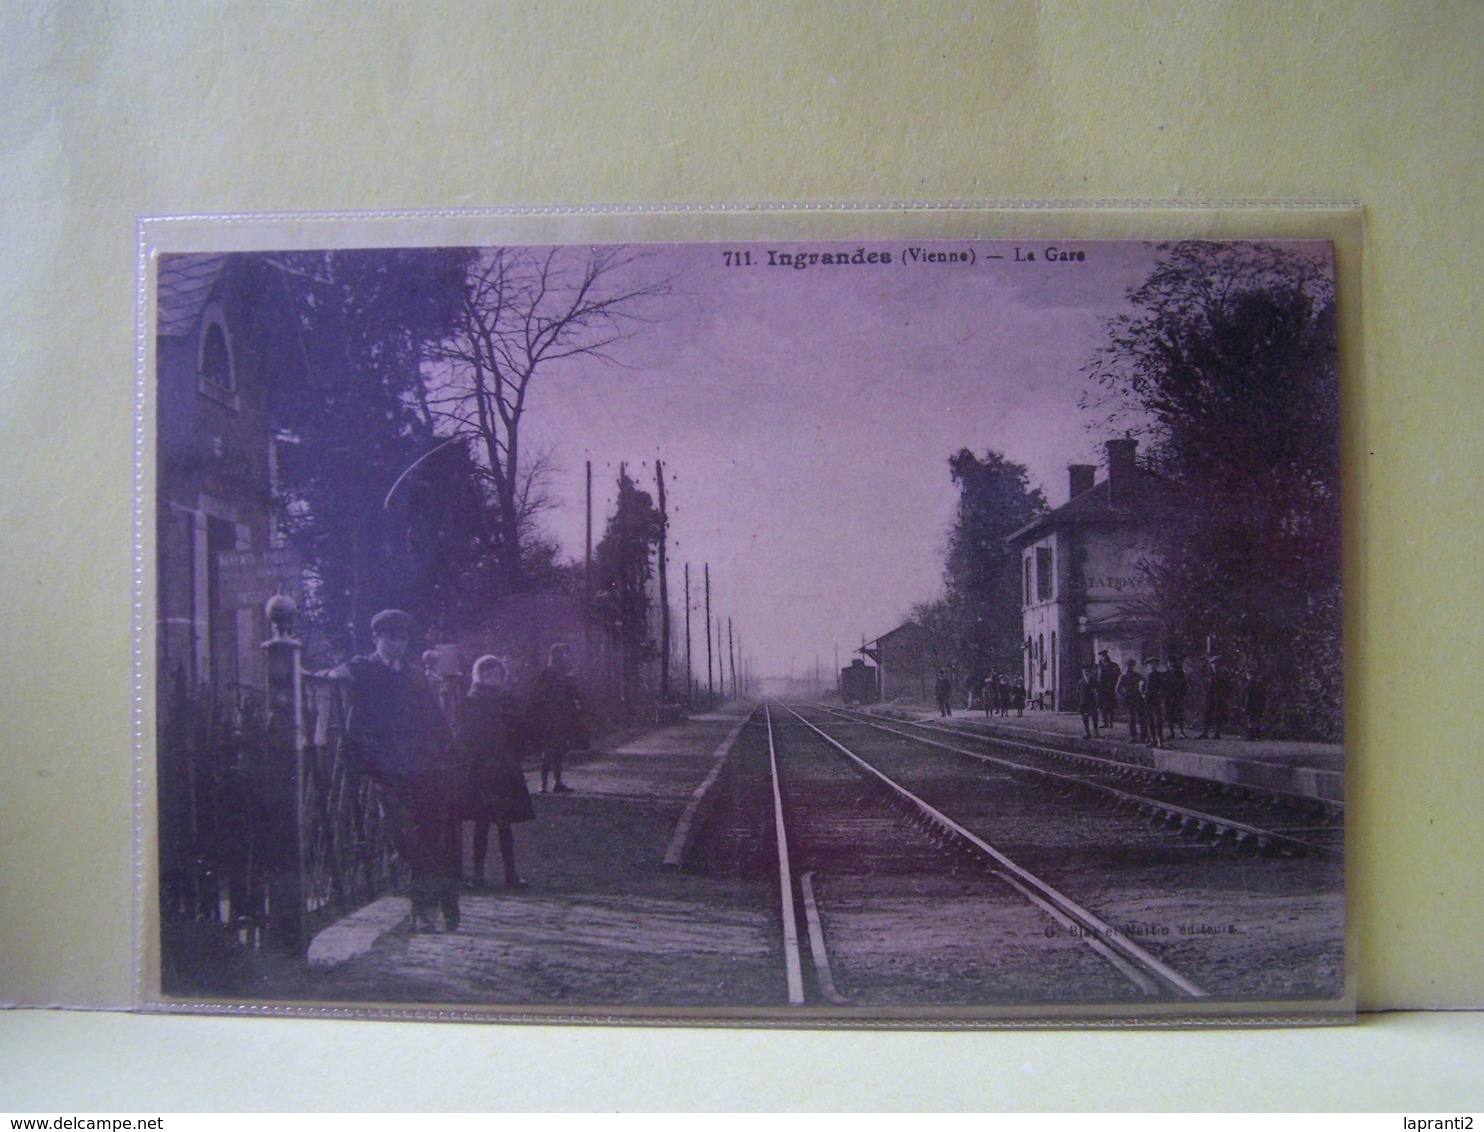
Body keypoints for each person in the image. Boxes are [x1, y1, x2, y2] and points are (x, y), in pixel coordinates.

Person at [334, 609, 460, 933]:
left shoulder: (415, 676)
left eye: (403, 638)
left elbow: (435, 720)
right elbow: (333, 679)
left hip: (420, 768)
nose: (397, 644)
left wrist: (446, 754)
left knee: (428, 834)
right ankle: (437, 899)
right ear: (375, 637)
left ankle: (427, 908)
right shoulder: (362, 668)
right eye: (390, 637)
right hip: (383, 770)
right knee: (404, 836)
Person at [456, 656, 536, 890]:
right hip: (481, 769)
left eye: (497, 675)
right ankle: (477, 874)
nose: (493, 679)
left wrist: (515, 755)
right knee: (481, 824)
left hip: (504, 769)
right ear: (479, 676)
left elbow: (521, 733)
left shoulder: (508, 703)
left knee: (504, 823)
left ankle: (511, 873)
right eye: (488, 674)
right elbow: (463, 736)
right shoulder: (470, 703)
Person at [529, 642, 588, 794]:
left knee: (559, 750)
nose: (564, 656)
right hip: (548, 717)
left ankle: (557, 782)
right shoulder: (546, 673)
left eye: (565, 653)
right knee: (548, 750)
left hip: (563, 717)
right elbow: (537, 695)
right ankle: (543, 783)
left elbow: (574, 695)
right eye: (561, 653)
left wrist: (575, 703)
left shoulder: (567, 674)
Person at [1197, 655, 1232, 740]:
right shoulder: (1209, 674)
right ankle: (1205, 732)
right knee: (1207, 713)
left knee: (1218, 715)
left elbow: (1227, 687)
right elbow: (1205, 685)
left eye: (1217, 663)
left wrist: (1224, 697)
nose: (1215, 665)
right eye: (1213, 663)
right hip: (1209, 697)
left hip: (1219, 697)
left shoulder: (1223, 675)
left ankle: (1217, 733)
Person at [1117, 657, 1146, 744]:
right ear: (1125, 666)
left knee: (1142, 717)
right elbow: (1117, 689)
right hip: (1129, 699)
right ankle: (1132, 736)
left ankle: (1144, 736)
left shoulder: (1137, 675)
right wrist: (1123, 697)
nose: (1130, 668)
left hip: (1138, 698)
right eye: (1128, 666)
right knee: (1131, 718)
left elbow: (1145, 682)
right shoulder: (1123, 677)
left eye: (1132, 666)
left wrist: (1143, 692)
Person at [1144, 656, 1168, 749]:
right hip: (1148, 700)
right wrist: (1143, 694)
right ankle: (1153, 739)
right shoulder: (1147, 675)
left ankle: (1159, 741)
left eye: (1154, 664)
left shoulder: (1159, 676)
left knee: (1158, 721)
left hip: (1156, 700)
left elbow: (1163, 687)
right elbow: (1143, 687)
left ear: (1157, 665)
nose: (1152, 666)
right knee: (1150, 721)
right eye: (1150, 664)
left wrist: (1160, 693)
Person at [1241, 665, 1268, 741]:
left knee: (1252, 720)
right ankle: (1255, 735)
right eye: (1248, 675)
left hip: (1252, 704)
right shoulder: (1255, 684)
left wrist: (1244, 705)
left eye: (1250, 675)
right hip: (1254, 705)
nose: (1249, 676)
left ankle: (1252, 735)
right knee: (1254, 720)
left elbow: (1262, 695)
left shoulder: (1250, 685)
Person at [1166, 653, 1189, 740]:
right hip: (1168, 698)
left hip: (1178, 697)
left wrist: (1182, 695)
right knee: (1169, 715)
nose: (1171, 665)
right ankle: (1171, 733)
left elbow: (1184, 685)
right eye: (1170, 663)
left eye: (1173, 663)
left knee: (1179, 715)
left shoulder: (1180, 674)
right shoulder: (1165, 674)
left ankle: (1182, 732)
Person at [1096, 650, 1120, 730]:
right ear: (1100, 657)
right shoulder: (1097, 667)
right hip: (1100, 689)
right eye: (1102, 656)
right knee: (1101, 705)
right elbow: (1095, 676)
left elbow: (1118, 675)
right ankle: (1104, 722)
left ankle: (1111, 722)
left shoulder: (1113, 665)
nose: (1104, 657)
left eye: (1105, 655)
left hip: (1110, 688)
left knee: (1110, 706)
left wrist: (1114, 684)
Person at [1077, 663, 1101, 739]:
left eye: (1088, 671)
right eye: (1085, 671)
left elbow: (1099, 691)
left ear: (1091, 672)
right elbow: (1078, 693)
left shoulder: (1094, 681)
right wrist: (1079, 703)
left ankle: (1096, 733)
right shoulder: (1081, 682)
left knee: (1094, 717)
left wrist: (1098, 701)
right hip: (1084, 703)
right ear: (1082, 672)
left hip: (1092, 702)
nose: (1086, 673)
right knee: (1085, 717)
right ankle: (1087, 733)